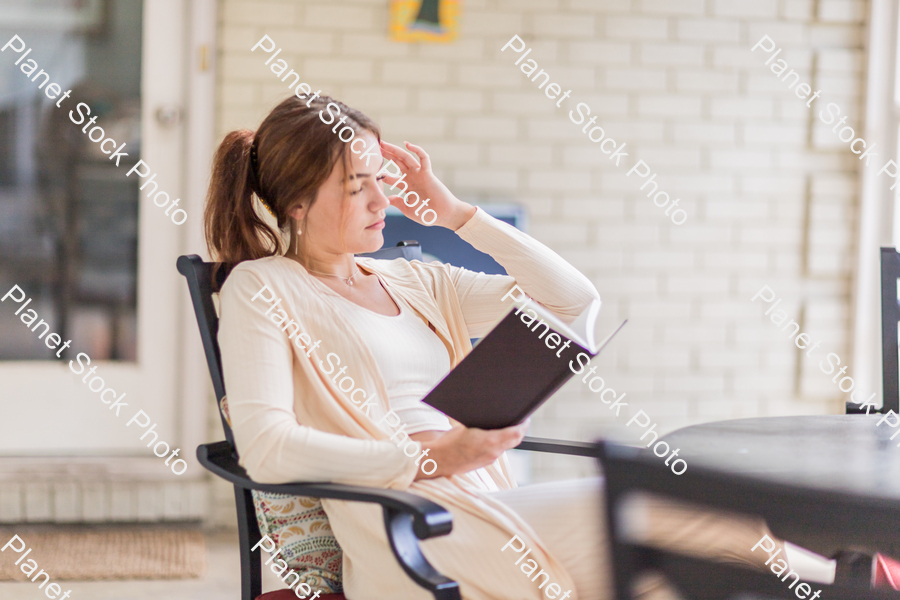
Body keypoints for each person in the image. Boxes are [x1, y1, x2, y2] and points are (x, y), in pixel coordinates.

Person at [204, 95, 831, 600]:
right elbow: (267, 449)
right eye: (355, 185)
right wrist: (430, 458)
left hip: (488, 502)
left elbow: (573, 304)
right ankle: (859, 584)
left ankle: (854, 585)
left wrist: (454, 215)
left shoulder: (415, 278)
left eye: (381, 179)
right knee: (670, 517)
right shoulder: (262, 286)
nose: (382, 200)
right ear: (296, 203)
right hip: (404, 527)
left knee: (678, 556)